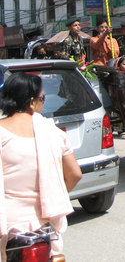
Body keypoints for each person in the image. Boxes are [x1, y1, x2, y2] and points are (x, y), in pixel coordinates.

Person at [0, 73, 82, 257]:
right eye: (42, 98)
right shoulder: (53, 132)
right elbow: (75, 174)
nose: (43, 103)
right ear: (31, 102)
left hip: (10, 225)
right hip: (46, 224)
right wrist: (54, 195)